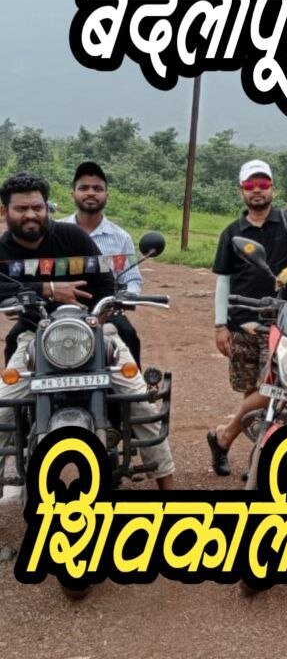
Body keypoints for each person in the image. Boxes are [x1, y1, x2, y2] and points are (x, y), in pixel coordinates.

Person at [0, 173, 173, 499]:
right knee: (3, 411)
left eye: (37, 207)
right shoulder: (3, 250)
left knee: (139, 402)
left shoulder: (72, 237)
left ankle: (168, 489)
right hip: (35, 333)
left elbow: (106, 282)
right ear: (4, 211)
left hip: (92, 329)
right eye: (21, 209)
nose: (31, 215)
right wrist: (48, 289)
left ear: (47, 207)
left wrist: (99, 315)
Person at [206, 159, 287, 478]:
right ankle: (254, 456)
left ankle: (227, 437)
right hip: (243, 324)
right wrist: (220, 325)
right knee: (252, 393)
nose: (257, 190)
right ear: (241, 191)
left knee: (274, 390)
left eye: (263, 184)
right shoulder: (232, 232)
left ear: (273, 187)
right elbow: (223, 282)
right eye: (250, 185)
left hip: (285, 326)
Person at [56, 161, 143, 364]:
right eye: (84, 188)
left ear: (107, 195)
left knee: (128, 335)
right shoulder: (54, 231)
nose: (91, 193)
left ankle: (133, 385)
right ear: (73, 194)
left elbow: (132, 279)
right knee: (17, 337)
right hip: (58, 309)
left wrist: (125, 298)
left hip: (104, 309)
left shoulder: (121, 237)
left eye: (97, 188)